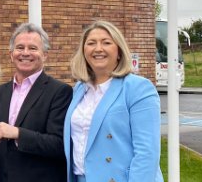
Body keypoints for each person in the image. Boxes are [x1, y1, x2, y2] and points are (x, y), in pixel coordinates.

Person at [63, 20, 162, 182]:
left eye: (106, 43)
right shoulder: (79, 88)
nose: (98, 49)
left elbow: (147, 152)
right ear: (84, 51)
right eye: (91, 43)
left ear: (119, 52)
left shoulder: (138, 88)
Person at [0, 22, 72, 182]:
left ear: (45, 54)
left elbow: (60, 144)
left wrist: (18, 133)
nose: (25, 53)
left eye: (33, 48)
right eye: (20, 47)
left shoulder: (60, 92)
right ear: (11, 54)